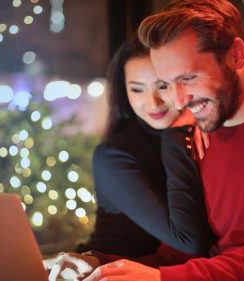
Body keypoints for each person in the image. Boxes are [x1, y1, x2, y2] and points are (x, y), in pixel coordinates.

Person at [50, 1, 244, 281]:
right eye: (167, 83)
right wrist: (100, 266)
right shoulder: (201, 134)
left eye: (187, 78)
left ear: (237, 55)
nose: (177, 100)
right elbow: (182, 257)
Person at [45, 36, 216, 280]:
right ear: (124, 93)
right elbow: (189, 241)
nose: (152, 102)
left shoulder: (202, 133)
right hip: (103, 273)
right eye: (137, 89)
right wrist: (176, 134)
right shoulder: (114, 156)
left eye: (162, 86)